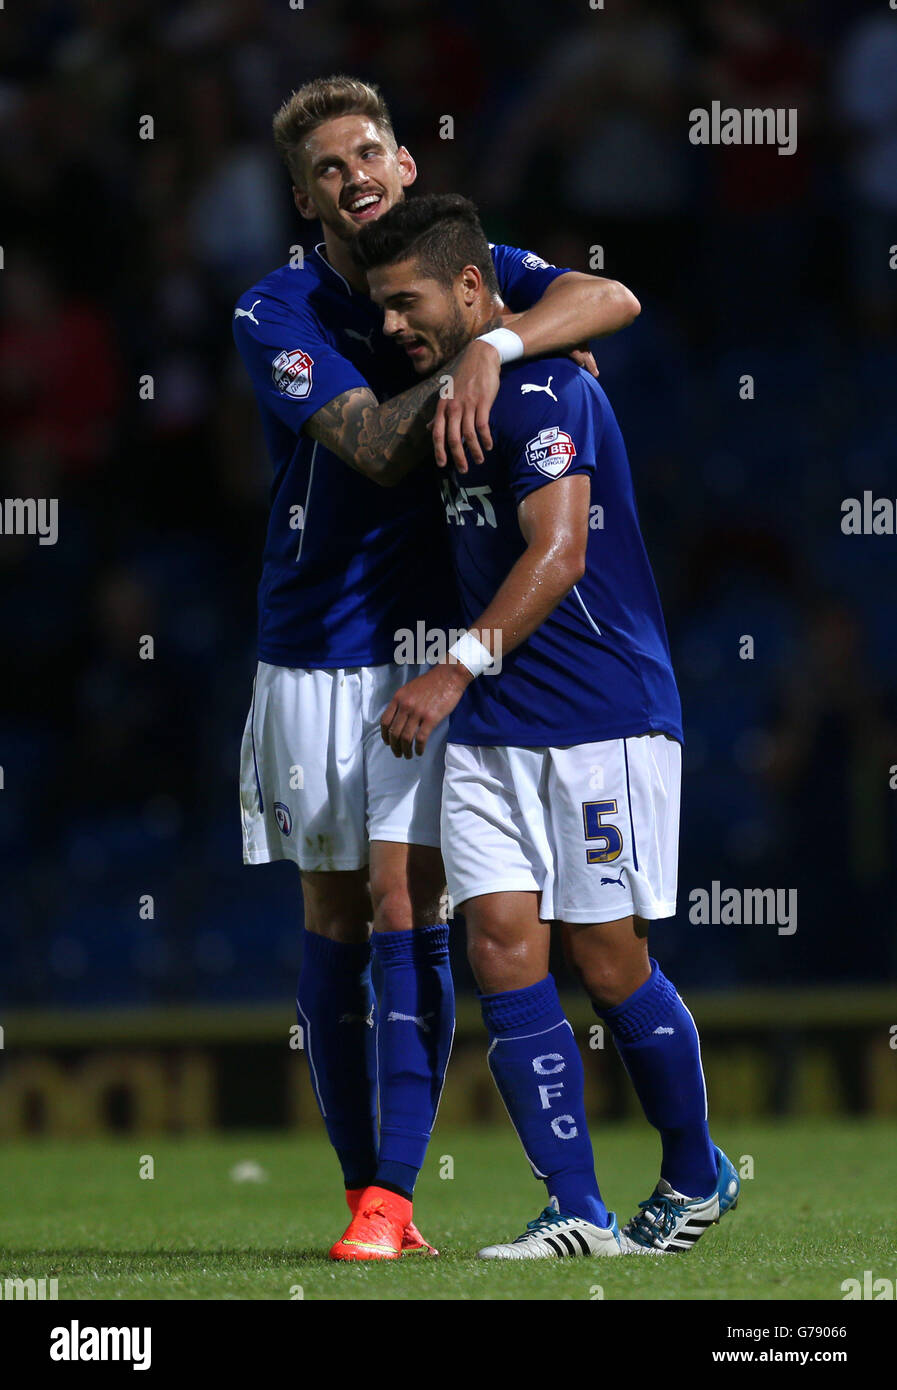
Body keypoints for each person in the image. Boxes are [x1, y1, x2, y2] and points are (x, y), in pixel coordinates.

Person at [232, 75, 641, 1260]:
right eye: (326, 166)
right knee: (334, 910)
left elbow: (608, 294)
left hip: (437, 648)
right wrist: (474, 367)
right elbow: (365, 446)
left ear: (405, 165)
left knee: (415, 902)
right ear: (305, 196)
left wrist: (503, 340)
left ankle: (391, 1198)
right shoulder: (279, 307)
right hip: (316, 641)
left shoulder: (477, 268)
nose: (353, 172)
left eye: (370, 150)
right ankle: (365, 1185)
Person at [356, 193, 740, 1258]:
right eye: (380, 308)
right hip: (494, 726)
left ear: (472, 290)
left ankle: (695, 1171)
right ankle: (578, 1208)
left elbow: (560, 553)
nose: (391, 325)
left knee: (609, 959)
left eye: (406, 303)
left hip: (599, 710)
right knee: (501, 944)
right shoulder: (448, 388)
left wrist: (450, 669)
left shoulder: (544, 389)